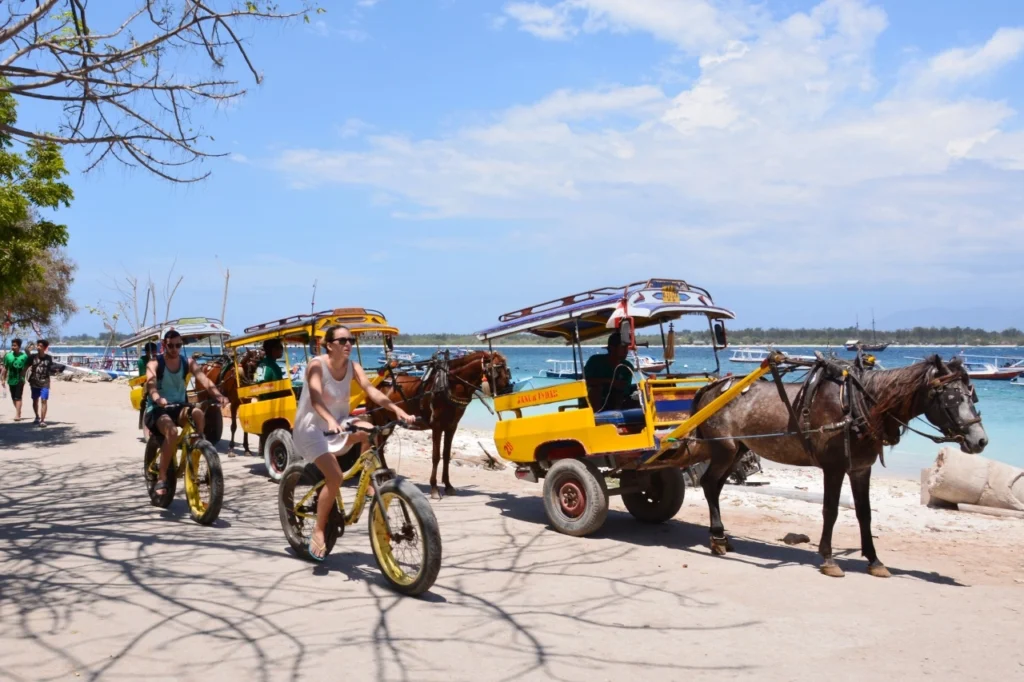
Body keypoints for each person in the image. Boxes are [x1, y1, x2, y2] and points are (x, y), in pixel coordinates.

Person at [293, 325, 414, 561]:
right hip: (311, 428)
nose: (349, 344)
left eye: (351, 340)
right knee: (335, 476)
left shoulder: (352, 366)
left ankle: (368, 481)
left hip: (338, 422)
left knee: (371, 431)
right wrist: (328, 419)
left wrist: (396, 409)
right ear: (329, 345)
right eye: (342, 340)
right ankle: (318, 530)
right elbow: (316, 397)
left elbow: (371, 390)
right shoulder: (316, 365)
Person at [145, 330, 229, 496]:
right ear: (164, 345)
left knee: (198, 413)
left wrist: (219, 396)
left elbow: (205, 380)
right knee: (172, 431)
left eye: (178, 345)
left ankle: (197, 449)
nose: (175, 349)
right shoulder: (154, 364)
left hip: (179, 406)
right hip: (157, 409)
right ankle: (161, 477)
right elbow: (151, 384)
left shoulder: (187, 362)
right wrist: (157, 398)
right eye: (171, 345)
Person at [584, 333, 637, 412]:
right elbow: (584, 381)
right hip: (593, 400)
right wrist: (610, 382)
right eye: (623, 347)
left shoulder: (627, 366)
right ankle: (596, 417)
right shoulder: (595, 361)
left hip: (618, 400)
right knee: (596, 389)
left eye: (627, 347)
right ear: (612, 348)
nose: (626, 351)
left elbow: (625, 389)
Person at [25, 339, 65, 427]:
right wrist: (22, 376)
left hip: (45, 382)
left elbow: (50, 369)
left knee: (44, 400)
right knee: (35, 400)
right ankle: (37, 416)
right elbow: (26, 367)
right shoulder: (32, 357)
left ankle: (42, 420)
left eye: (40, 346)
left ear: (44, 348)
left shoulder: (48, 358)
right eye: (38, 345)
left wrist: (56, 370)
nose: (38, 347)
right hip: (34, 382)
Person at [1, 338, 29, 421]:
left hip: (20, 379)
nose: (13, 347)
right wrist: (3, 379)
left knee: (18, 397)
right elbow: (5, 368)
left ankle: (17, 415)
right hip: (11, 380)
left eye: (15, 345)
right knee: (13, 397)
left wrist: (24, 375)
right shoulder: (8, 356)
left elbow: (27, 367)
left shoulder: (24, 356)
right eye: (12, 345)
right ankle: (18, 411)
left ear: (19, 346)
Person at [137, 342, 158, 440]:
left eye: (155, 351)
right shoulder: (142, 361)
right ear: (147, 352)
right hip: (146, 382)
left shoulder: (158, 359)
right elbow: (142, 375)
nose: (154, 353)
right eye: (152, 351)